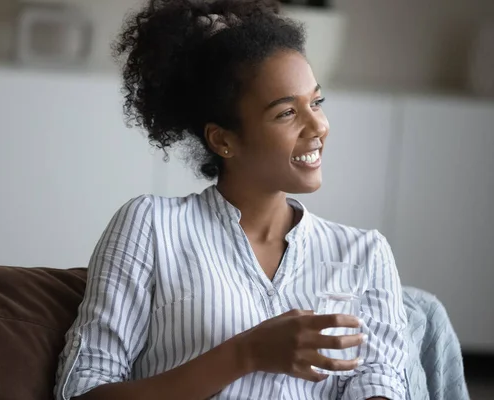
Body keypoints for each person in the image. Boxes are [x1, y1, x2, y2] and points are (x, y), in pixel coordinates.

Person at [54, 1, 468, 399]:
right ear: (223, 140)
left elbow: (379, 386)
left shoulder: (365, 253)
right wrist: (245, 353)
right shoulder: (151, 226)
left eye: (316, 102)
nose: (317, 126)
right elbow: (82, 392)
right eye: (286, 112)